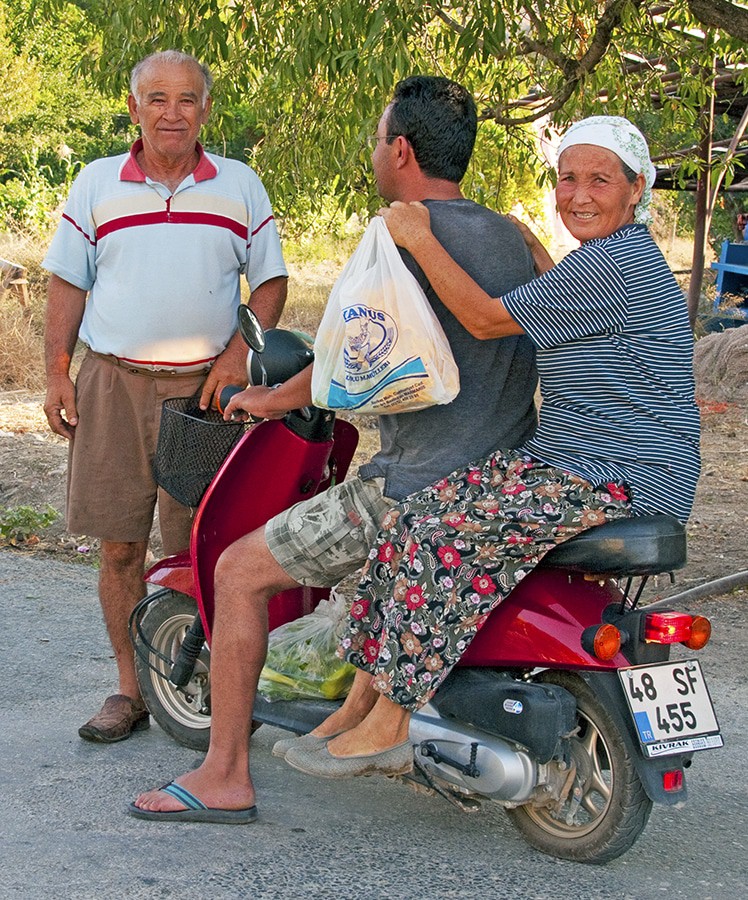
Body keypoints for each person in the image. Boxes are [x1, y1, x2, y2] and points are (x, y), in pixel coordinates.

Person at [130, 75, 538, 821]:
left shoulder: (402, 233)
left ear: (403, 150)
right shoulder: (515, 237)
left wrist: (268, 397)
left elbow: (353, 360)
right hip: (500, 479)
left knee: (237, 570)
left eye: (379, 138)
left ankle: (223, 774)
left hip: (412, 486)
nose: (374, 151)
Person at [283, 115, 702, 780]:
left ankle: (391, 722)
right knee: (416, 512)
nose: (580, 194)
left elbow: (483, 318)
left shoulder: (615, 266)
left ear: (636, 189)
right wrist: (539, 256)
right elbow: (559, 312)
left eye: (601, 180)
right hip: (583, 462)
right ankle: (356, 709)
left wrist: (419, 238)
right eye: (568, 179)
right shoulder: (610, 261)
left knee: (442, 533)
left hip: (617, 473)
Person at [42, 50, 288, 743]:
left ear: (206, 110)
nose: (172, 113)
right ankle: (131, 690)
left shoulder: (239, 185)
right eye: (157, 99)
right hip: (112, 384)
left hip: (205, 393)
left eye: (186, 100)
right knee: (120, 546)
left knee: (200, 545)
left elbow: (269, 283)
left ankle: (202, 684)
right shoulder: (96, 184)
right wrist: (58, 371)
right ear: (134, 109)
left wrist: (241, 352)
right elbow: (67, 284)